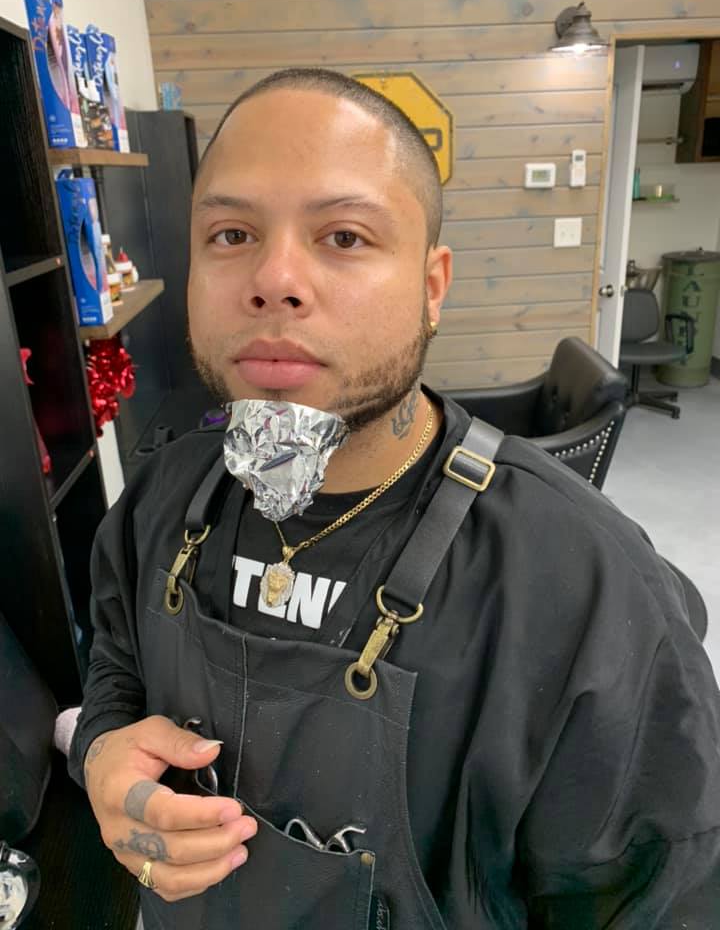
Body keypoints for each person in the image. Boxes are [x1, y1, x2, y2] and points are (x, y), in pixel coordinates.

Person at [68, 69, 720, 929]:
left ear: (431, 285)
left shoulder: (586, 588)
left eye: (343, 235)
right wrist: (102, 751)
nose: (274, 279)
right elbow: (115, 661)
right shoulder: (162, 493)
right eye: (231, 234)